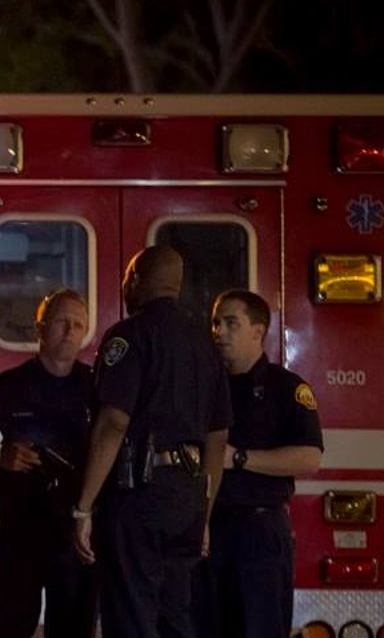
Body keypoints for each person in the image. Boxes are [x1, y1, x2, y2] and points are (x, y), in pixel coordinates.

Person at [71, 246, 231, 638]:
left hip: (139, 493)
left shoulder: (129, 335)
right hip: (188, 497)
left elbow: (113, 422)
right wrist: (204, 513)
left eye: (128, 279)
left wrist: (83, 507)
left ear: (138, 281)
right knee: (175, 615)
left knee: (130, 616)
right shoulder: (205, 344)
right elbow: (218, 436)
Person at [196, 290, 323, 638]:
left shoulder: (286, 389)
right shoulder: (204, 388)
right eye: (216, 323)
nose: (219, 331)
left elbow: (310, 457)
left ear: (258, 331)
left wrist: (239, 458)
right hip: (208, 530)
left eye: (231, 323)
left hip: (259, 532)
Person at [0, 289, 98, 638]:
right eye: (61, 322)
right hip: (21, 530)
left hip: (75, 531)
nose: (70, 331)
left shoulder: (97, 390)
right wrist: (1, 455)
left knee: (74, 627)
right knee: (6, 626)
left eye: (78, 325)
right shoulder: (3, 390)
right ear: (39, 329)